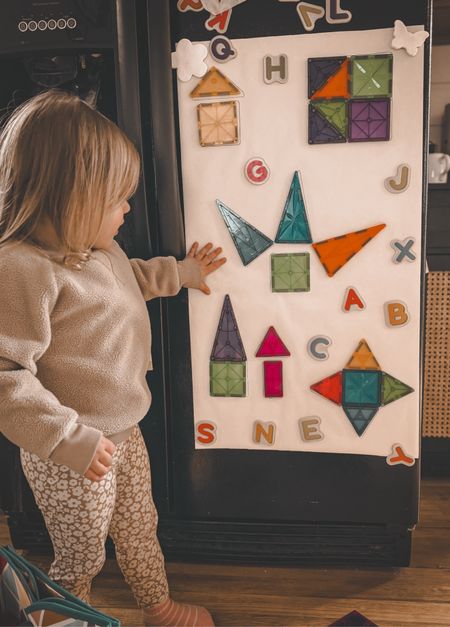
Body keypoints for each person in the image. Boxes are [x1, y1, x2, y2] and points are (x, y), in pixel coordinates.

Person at [0, 89, 226, 626]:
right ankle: (56, 618)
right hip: (68, 451)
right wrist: (67, 439)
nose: (127, 209)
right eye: (116, 199)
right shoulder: (22, 268)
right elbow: (7, 376)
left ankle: (158, 606)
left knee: (138, 526)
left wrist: (182, 273)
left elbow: (129, 286)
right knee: (81, 554)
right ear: (68, 198)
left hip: (126, 432)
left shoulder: (100, 250)